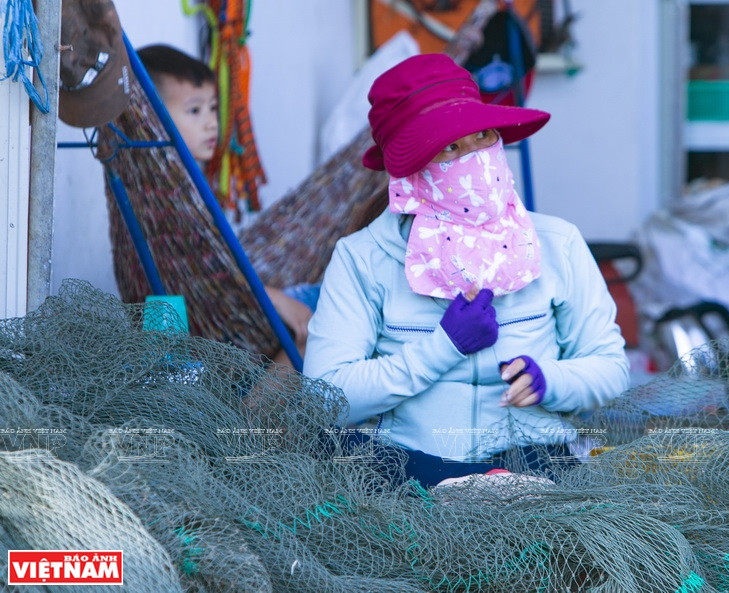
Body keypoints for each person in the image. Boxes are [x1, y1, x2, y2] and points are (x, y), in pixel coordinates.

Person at [303, 53, 630, 489]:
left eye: (482, 136)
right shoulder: (361, 258)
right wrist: (443, 347)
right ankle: (462, 491)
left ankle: (492, 490)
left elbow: (611, 369)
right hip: (412, 470)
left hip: (535, 463)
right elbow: (324, 398)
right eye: (449, 147)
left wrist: (549, 380)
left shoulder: (559, 243)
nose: (475, 157)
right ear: (412, 171)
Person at [137, 44, 314, 359]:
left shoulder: (182, 180)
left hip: (206, 315)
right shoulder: (165, 194)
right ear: (150, 117)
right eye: (194, 111)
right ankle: (261, 395)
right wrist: (276, 300)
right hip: (204, 331)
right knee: (319, 323)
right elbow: (197, 278)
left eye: (212, 108)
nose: (210, 123)